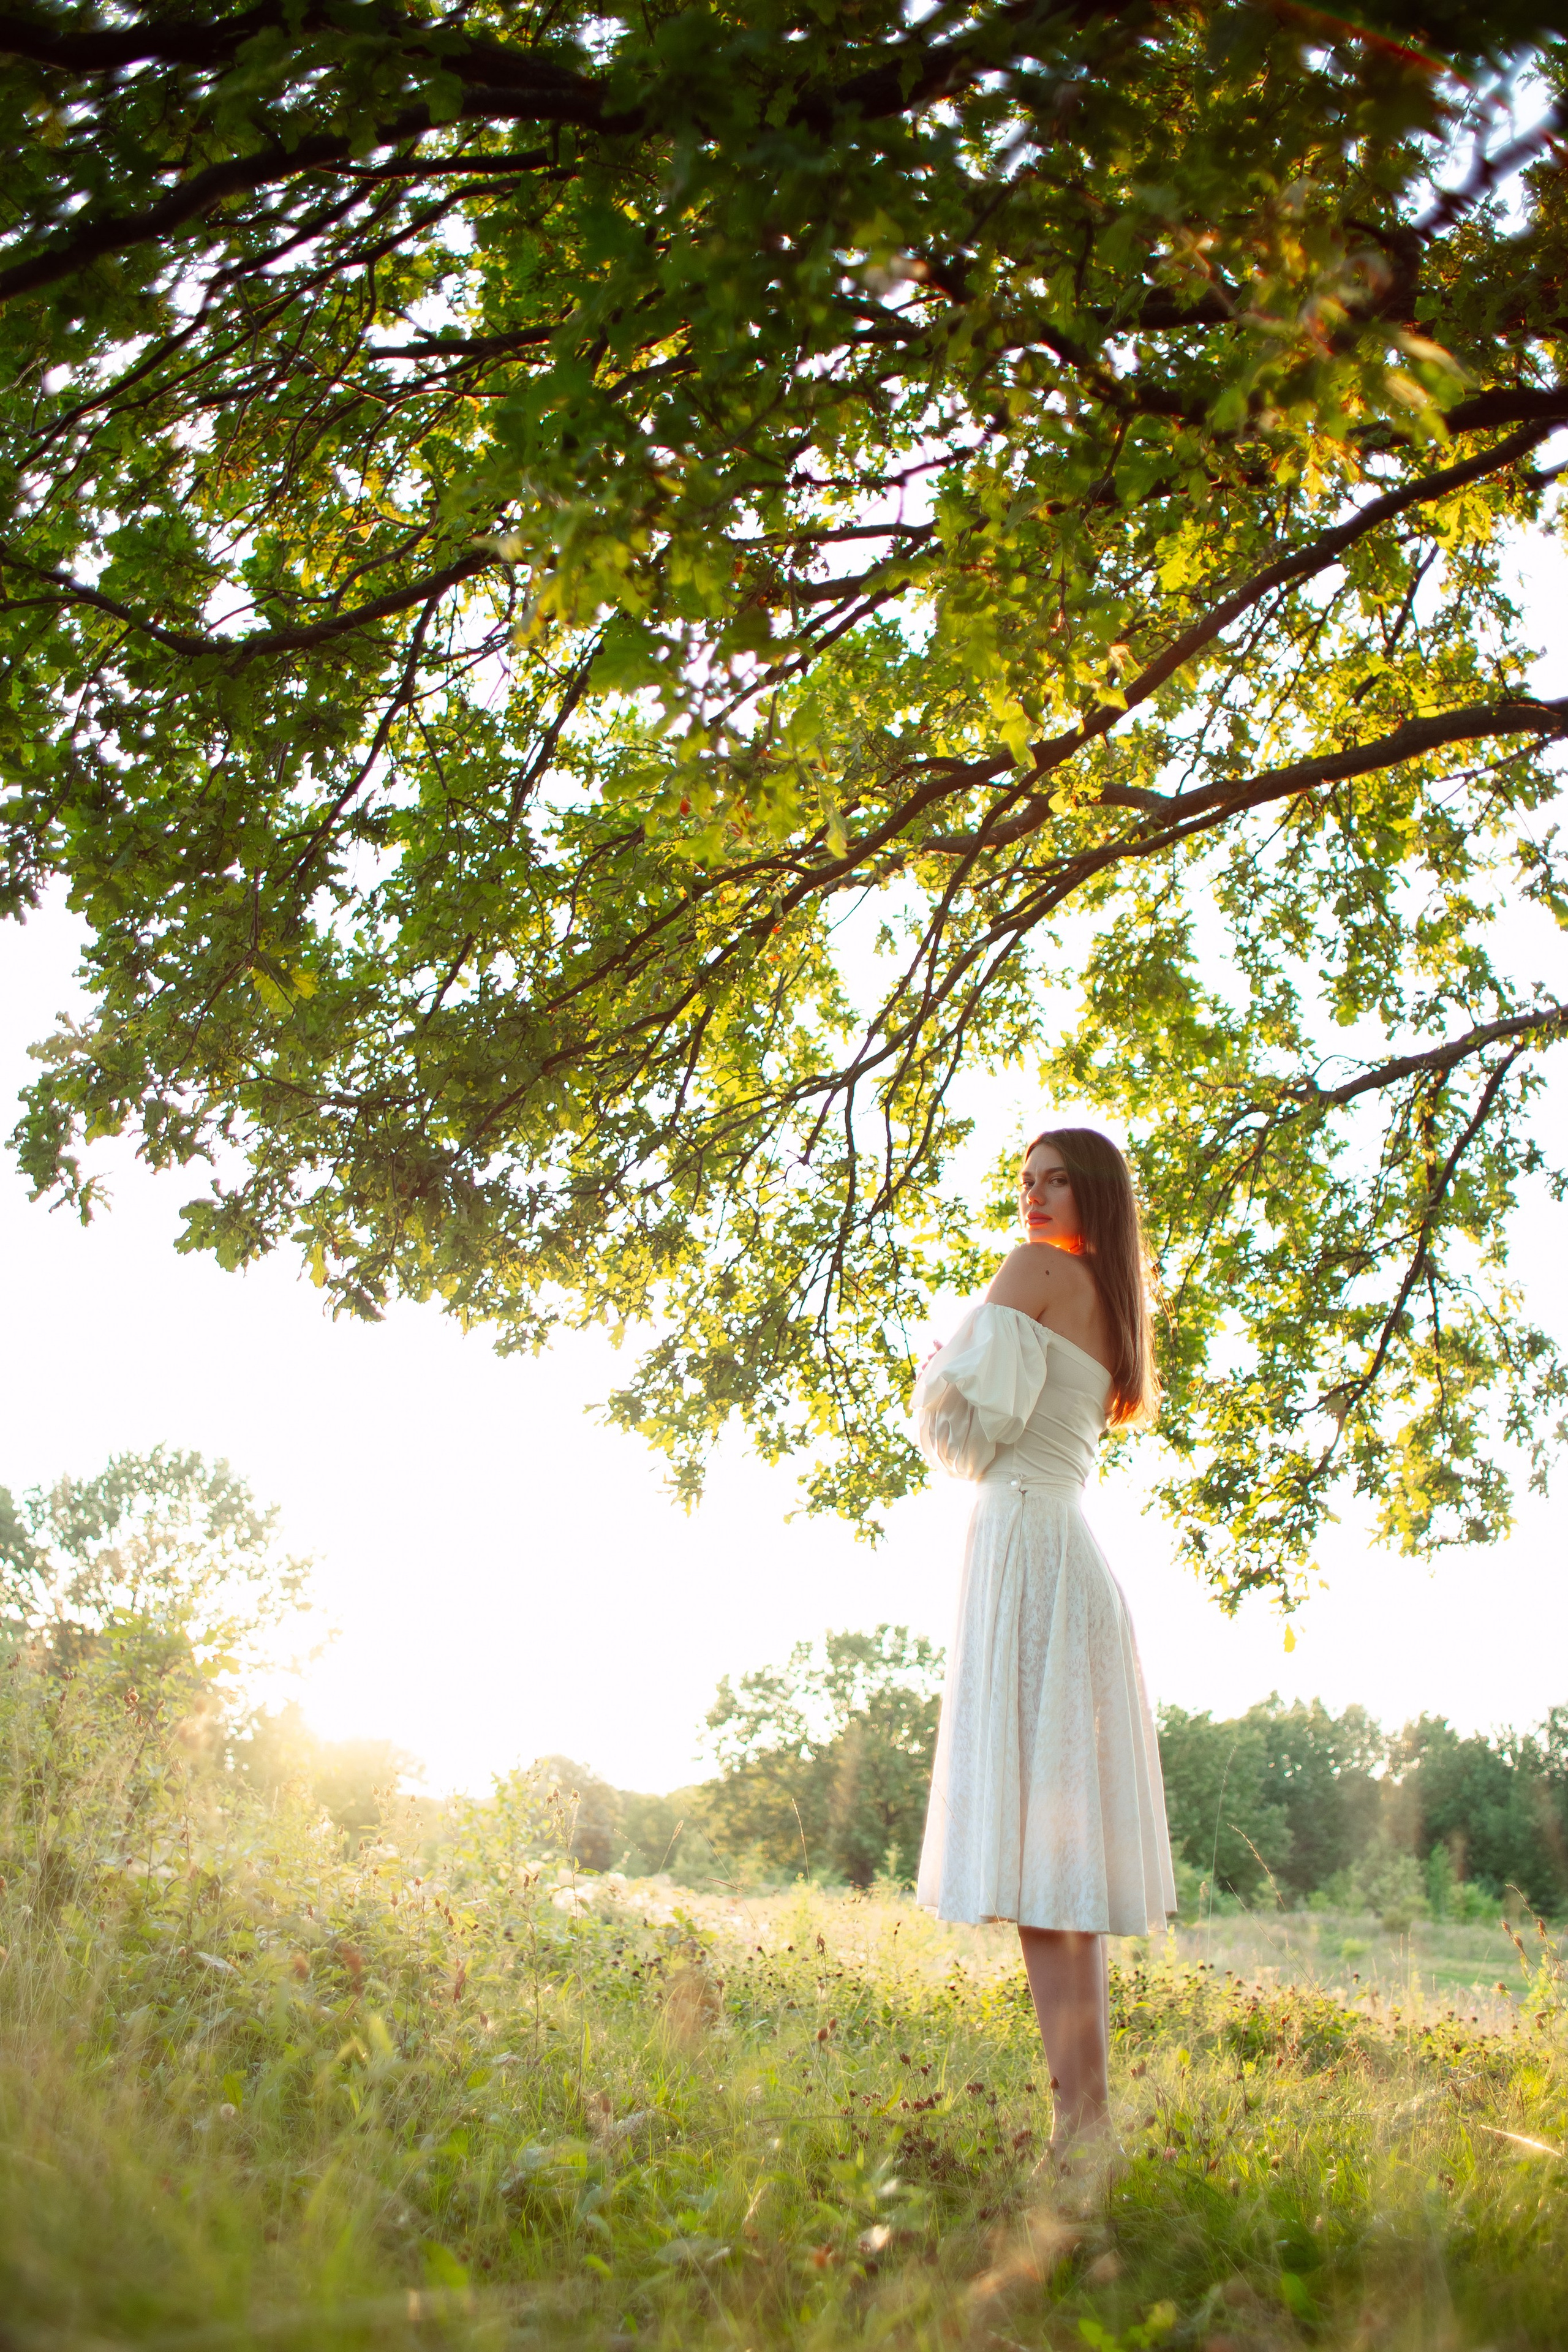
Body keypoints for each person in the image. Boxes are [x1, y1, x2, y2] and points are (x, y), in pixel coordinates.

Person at [912, 1125, 1175, 2158]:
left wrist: (938, 1365)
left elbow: (963, 1434)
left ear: (1093, 1190)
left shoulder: (1032, 1273)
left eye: (1053, 1180)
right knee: (1059, 1871)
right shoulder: (1120, 1305)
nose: (1031, 1198)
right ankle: (1085, 2133)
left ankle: (1081, 2132)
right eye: (1024, 1183)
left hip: (1026, 1542)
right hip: (1071, 1552)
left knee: (1037, 1872)